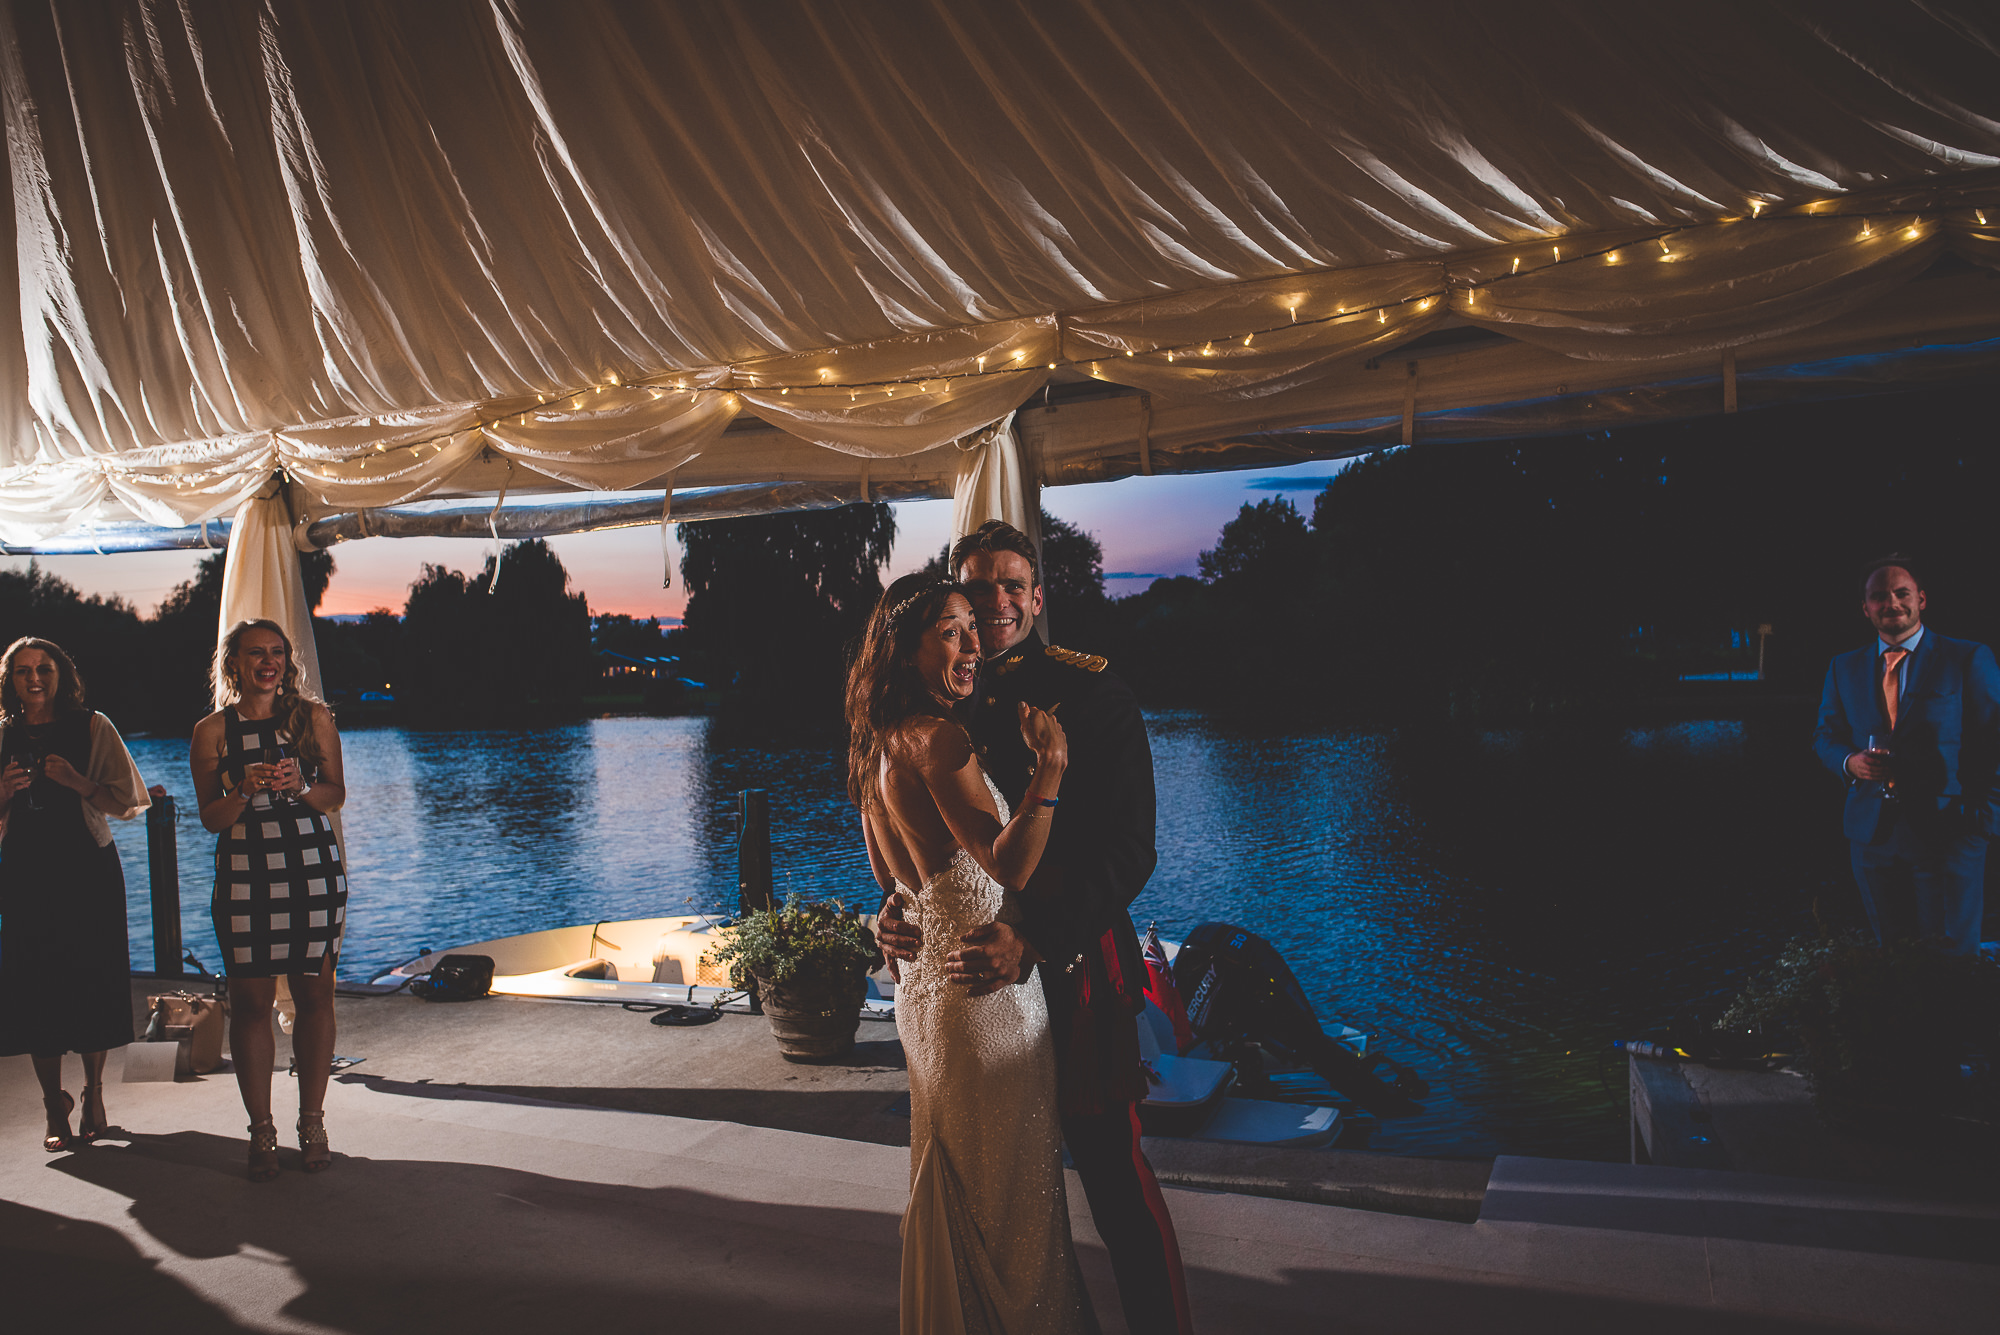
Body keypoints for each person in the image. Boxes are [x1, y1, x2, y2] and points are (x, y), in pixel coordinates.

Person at [879, 521, 1191, 1335]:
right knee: (1000, 1191)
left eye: (1013, 584)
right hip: (977, 988)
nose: (997, 601)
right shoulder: (943, 696)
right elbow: (930, 840)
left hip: (1074, 962)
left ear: (1039, 596)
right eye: (979, 588)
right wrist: (896, 901)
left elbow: (1131, 851)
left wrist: (1038, 935)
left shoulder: (1093, 694)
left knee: (1115, 1184)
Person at [849, 573, 1095, 1334]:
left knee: (965, 1198)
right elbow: (1006, 864)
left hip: (927, 1006)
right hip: (986, 1003)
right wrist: (1049, 771)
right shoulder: (940, 737)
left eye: (971, 629)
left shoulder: (877, 746)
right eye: (949, 631)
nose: (970, 646)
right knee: (1016, 1220)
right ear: (905, 648)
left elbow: (894, 889)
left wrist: (885, 918)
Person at [190, 619, 348, 1179]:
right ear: (233, 663)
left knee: (314, 998)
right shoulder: (212, 731)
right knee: (252, 1004)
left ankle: (312, 1120)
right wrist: (244, 789)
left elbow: (335, 795)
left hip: (311, 874)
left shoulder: (313, 717)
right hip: (245, 879)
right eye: (256, 653)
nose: (269, 662)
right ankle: (261, 1130)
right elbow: (212, 819)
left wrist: (299, 789)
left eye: (277, 653)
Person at [0, 637, 150, 1152]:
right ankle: (51, 1105)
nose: (34, 678)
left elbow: (129, 800)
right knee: (34, 984)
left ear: (61, 674)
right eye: (23, 671)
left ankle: (94, 1095)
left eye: (44, 668)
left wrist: (78, 781)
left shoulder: (92, 726)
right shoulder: (2, 735)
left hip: (87, 872)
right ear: (9, 680)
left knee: (92, 981)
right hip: (22, 874)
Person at [1813, 555, 2000, 955]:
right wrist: (1850, 762)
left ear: (1922, 599)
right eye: (1879, 596)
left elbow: (1994, 740)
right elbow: (1825, 736)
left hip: (1950, 833)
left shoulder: (1966, 658)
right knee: (1892, 956)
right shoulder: (1842, 668)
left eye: (1902, 593)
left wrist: (1984, 821)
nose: (1892, 603)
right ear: (1866, 608)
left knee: (1952, 959)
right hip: (1872, 837)